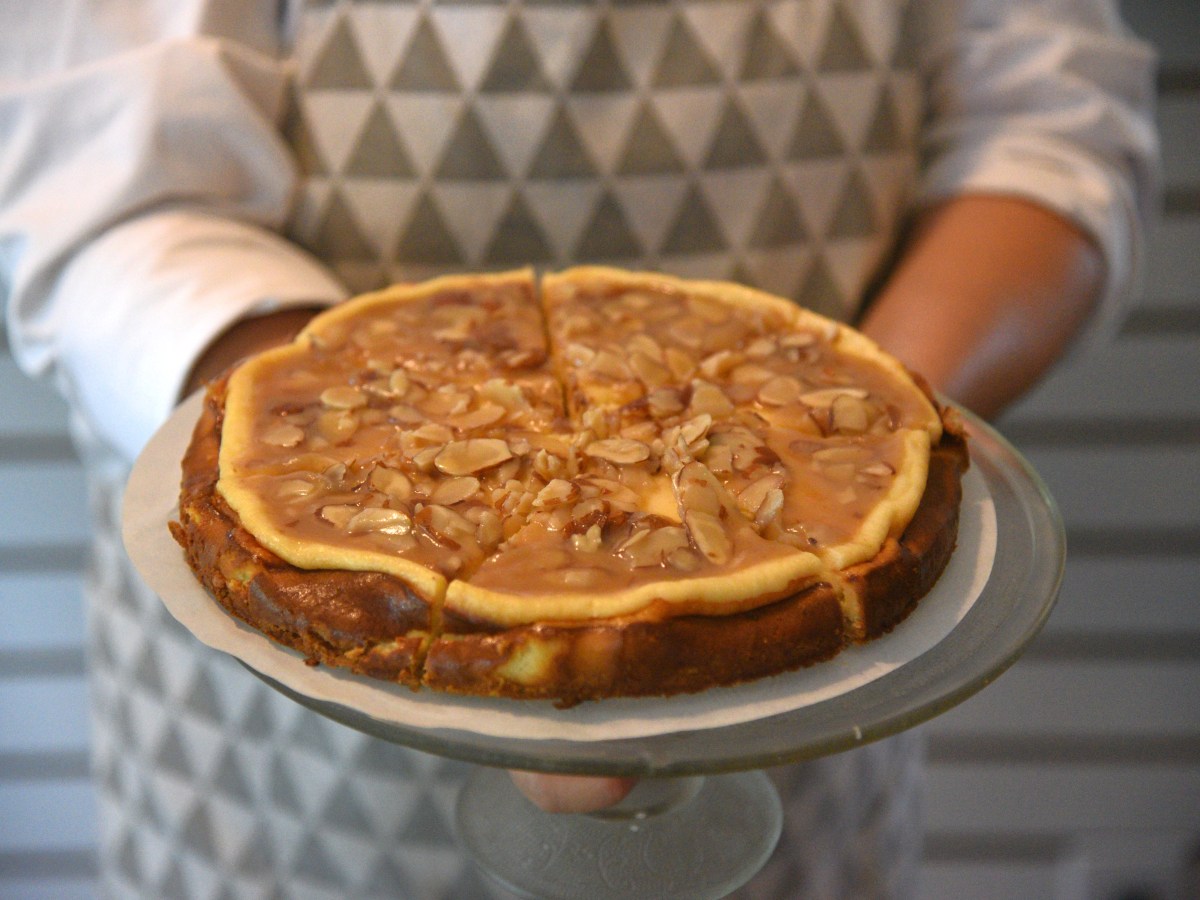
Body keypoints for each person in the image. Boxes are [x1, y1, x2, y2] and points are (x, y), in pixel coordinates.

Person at [1, 1, 1157, 897]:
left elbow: (1050, 122)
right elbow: (103, 186)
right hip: (272, 782)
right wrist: (369, 455)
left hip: (806, 742)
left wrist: (855, 433)